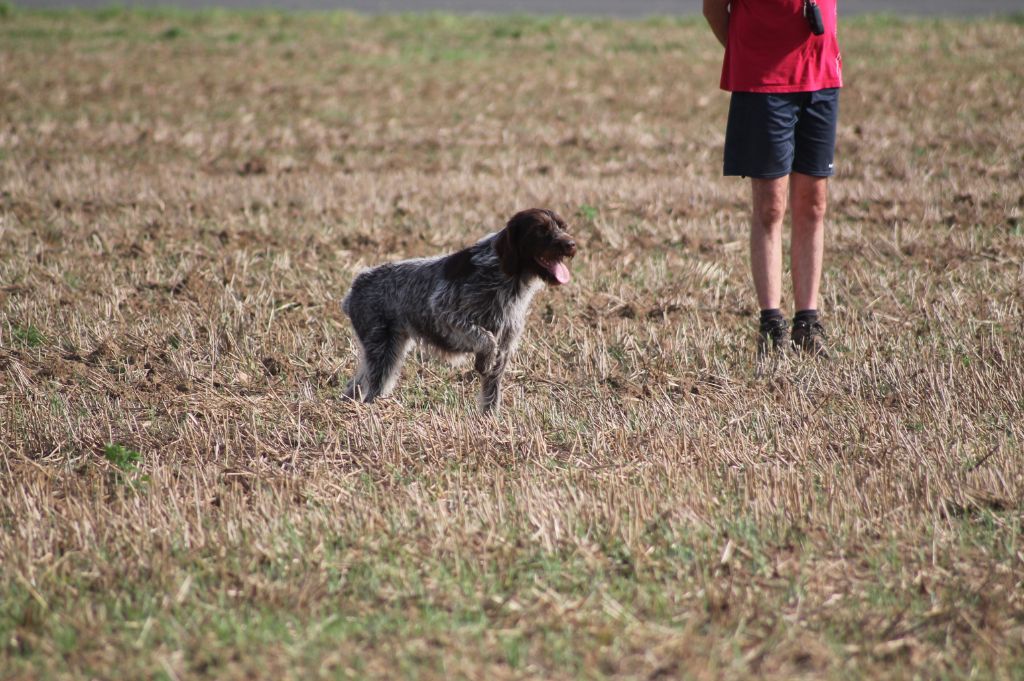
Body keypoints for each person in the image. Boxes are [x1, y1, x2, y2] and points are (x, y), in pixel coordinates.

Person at [703, 0, 842, 357]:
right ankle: (771, 324)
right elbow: (714, 9)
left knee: (813, 204)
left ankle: (808, 323)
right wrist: (751, 53)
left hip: (821, 74)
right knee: (770, 206)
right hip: (764, 81)